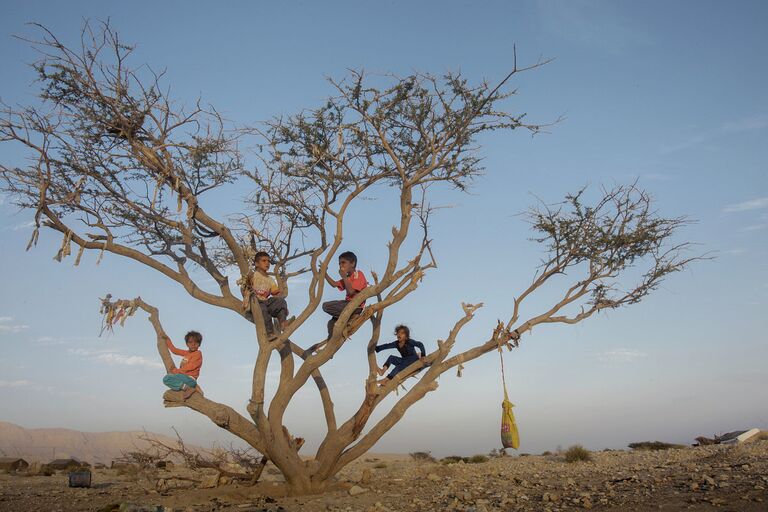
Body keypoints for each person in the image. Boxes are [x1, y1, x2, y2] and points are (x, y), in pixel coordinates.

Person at [321, 251, 368, 341]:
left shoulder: (358, 274)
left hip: (355, 306)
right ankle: (332, 341)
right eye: (339, 263)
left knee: (326, 306)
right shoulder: (347, 277)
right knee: (331, 323)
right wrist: (324, 273)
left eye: (343, 262)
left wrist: (344, 277)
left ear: (352, 263)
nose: (341, 265)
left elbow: (351, 292)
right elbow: (334, 284)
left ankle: (351, 318)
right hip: (346, 305)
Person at [251, 251, 290, 337]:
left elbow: (276, 293)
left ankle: (283, 323)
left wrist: (283, 305)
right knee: (263, 309)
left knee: (281, 301)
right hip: (256, 302)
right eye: (264, 261)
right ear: (257, 264)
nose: (267, 263)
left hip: (266, 302)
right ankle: (269, 333)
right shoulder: (253, 275)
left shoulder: (270, 279)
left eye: (268, 261)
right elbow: (245, 288)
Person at [162, 331, 203, 400]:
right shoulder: (187, 353)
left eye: (196, 343)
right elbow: (174, 350)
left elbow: (191, 366)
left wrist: (178, 371)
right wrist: (167, 339)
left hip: (190, 379)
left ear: (199, 344)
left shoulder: (198, 354)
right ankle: (191, 388)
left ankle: (190, 388)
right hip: (184, 378)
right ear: (187, 344)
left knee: (167, 378)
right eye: (190, 342)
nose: (193, 344)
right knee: (167, 379)